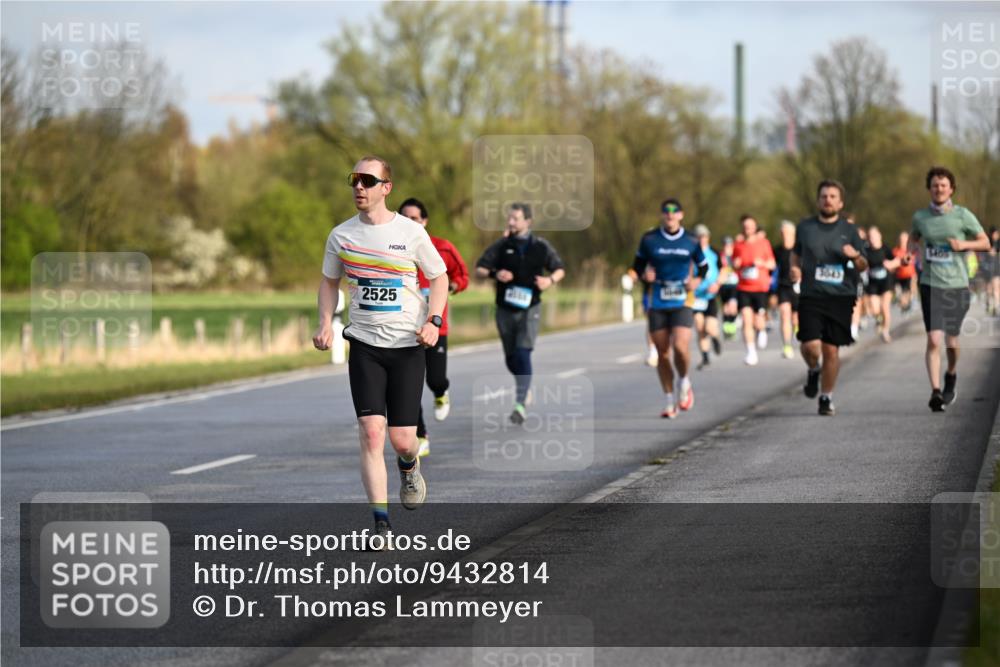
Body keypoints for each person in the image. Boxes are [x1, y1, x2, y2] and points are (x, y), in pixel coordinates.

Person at [313, 156, 448, 541]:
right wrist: (325, 321)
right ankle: (380, 523)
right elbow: (328, 282)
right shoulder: (341, 236)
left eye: (368, 180)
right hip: (366, 346)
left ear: (386, 187)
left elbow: (438, 279)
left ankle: (409, 467)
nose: (359, 187)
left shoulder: (410, 233)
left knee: (403, 440)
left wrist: (433, 321)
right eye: (354, 179)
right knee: (371, 432)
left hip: (407, 346)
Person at [908, 166, 991, 412]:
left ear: (951, 189)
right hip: (930, 284)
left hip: (957, 284)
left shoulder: (963, 215)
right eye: (935, 185)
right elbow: (914, 238)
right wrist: (909, 253)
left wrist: (963, 244)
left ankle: (951, 374)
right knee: (934, 339)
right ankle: (935, 392)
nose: (939, 189)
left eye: (943, 185)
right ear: (929, 189)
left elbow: (985, 242)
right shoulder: (920, 217)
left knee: (951, 340)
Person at [475, 203, 565, 425]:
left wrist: (548, 281)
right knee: (511, 357)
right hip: (505, 309)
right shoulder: (501, 245)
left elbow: (559, 269)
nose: (511, 222)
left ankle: (520, 404)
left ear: (528, 221)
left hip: (530, 308)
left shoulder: (541, 246)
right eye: (510, 218)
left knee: (523, 353)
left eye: (515, 218)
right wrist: (496, 273)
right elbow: (479, 269)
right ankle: (524, 386)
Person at [789, 179, 868, 416]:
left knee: (831, 350)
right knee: (810, 345)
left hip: (840, 296)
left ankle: (826, 397)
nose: (828, 200)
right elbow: (795, 253)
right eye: (824, 196)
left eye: (833, 196)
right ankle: (813, 369)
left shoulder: (849, 230)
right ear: (818, 200)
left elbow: (864, 265)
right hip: (811, 294)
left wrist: (854, 256)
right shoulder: (805, 227)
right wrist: (795, 269)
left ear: (840, 202)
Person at [399, 197, 469, 457]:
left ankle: (441, 391)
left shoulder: (442, 248)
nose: (409, 222)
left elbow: (463, 276)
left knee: (434, 379)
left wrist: (451, 286)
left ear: (424, 221)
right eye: (404, 217)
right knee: (408, 385)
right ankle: (421, 435)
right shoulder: (393, 248)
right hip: (405, 329)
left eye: (414, 218)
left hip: (436, 326)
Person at [632, 198, 707, 418]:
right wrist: (645, 276)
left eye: (674, 212)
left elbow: (703, 267)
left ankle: (684, 382)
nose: (670, 215)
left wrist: (697, 282)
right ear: (662, 215)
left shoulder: (691, 240)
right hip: (658, 300)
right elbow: (637, 268)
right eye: (666, 212)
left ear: (681, 215)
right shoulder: (650, 239)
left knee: (681, 347)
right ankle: (668, 400)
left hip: (682, 300)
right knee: (663, 353)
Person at [732, 215, 776, 365]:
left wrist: (762, 263)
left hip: (760, 287)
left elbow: (772, 264)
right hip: (743, 287)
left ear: (755, 227)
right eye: (745, 226)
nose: (747, 228)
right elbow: (734, 263)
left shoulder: (763, 243)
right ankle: (751, 352)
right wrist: (736, 264)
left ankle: (762, 330)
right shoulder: (738, 244)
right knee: (746, 319)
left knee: (758, 321)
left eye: (750, 225)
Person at [691, 224, 723, 369]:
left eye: (704, 236)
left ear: (708, 238)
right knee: (699, 326)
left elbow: (724, 270)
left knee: (709, 328)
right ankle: (705, 356)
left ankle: (715, 338)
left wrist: (717, 284)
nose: (701, 239)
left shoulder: (715, 253)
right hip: (696, 296)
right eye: (699, 237)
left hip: (710, 296)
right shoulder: (690, 253)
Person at [864, 225, 900, 343]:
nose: (872, 238)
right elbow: (862, 264)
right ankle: (879, 319)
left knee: (885, 307)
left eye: (874, 235)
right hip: (873, 282)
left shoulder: (885, 249)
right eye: (870, 236)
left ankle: (885, 330)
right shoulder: (866, 250)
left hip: (886, 282)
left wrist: (890, 264)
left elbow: (897, 261)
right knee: (874, 309)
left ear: (879, 236)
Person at [773, 220, 800, 359]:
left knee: (796, 318)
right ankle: (787, 346)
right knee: (784, 314)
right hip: (783, 287)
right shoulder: (777, 250)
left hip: (798, 287)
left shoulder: (799, 249)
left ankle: (797, 330)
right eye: (782, 233)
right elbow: (771, 269)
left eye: (788, 233)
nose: (785, 236)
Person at [719, 236, 740, 340]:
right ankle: (727, 327)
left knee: (733, 306)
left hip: (734, 284)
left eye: (729, 245)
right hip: (724, 284)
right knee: (726, 307)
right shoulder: (720, 256)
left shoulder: (736, 255)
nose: (727, 247)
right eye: (725, 245)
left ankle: (732, 325)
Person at [893, 230, 918, 312]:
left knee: (912, 287)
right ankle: (905, 304)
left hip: (910, 275)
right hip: (900, 277)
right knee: (902, 297)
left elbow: (917, 261)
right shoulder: (895, 251)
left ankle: (913, 300)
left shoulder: (912, 250)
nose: (903, 241)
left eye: (905, 239)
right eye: (901, 239)